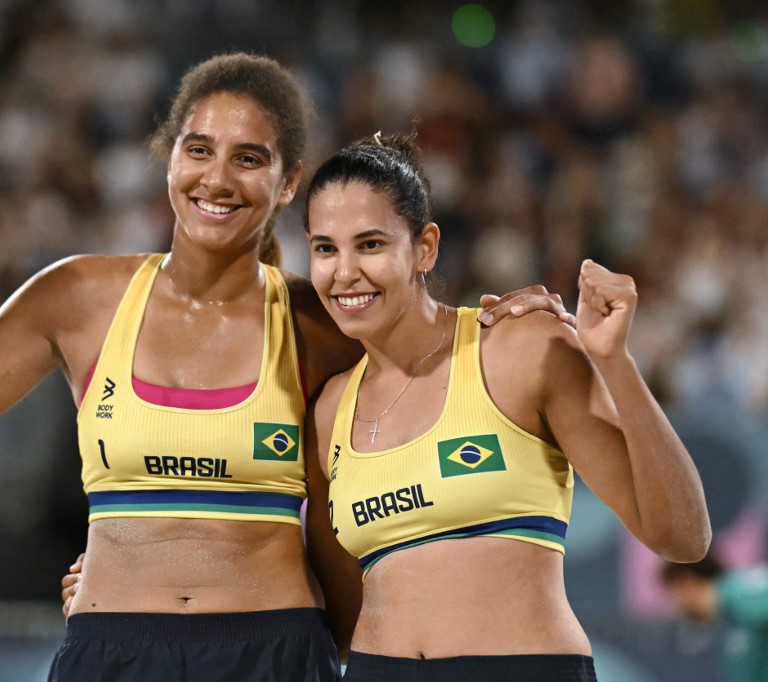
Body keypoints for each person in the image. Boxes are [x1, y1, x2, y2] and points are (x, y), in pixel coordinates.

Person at [0, 52, 570, 681]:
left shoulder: (319, 323)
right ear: (168, 159)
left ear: (288, 183)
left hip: (275, 654)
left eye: (249, 158)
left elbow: (432, 354)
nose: (217, 178)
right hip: (112, 653)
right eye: (199, 150)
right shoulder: (80, 299)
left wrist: (501, 323)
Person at [297, 133, 712, 681]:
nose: (344, 272)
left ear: (425, 247)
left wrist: (614, 362)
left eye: (370, 244)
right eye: (325, 248)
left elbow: (684, 537)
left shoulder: (521, 347)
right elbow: (338, 617)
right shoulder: (330, 410)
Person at [661, 550, 768, 682]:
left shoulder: (740, 594)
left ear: (684, 582)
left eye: (671, 595)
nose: (673, 608)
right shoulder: (724, 627)